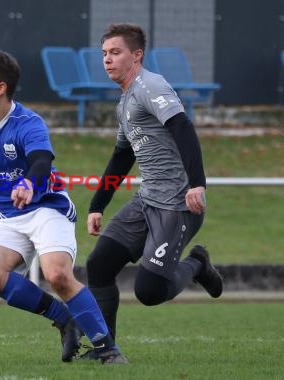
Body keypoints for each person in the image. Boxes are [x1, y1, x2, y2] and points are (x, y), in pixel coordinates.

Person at [0, 49, 127, 364]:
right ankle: (64, 318)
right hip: (6, 215)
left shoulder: (28, 122)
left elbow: (41, 161)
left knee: (57, 274)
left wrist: (29, 183)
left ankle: (107, 349)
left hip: (46, 208)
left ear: (1, 88)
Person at [83, 23, 223, 347]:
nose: (107, 60)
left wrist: (197, 185)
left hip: (177, 205)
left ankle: (198, 264)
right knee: (99, 265)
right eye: (104, 53)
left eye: (115, 52)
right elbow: (121, 157)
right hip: (147, 202)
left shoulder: (150, 85)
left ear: (137, 55)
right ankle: (106, 351)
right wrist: (97, 205)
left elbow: (183, 127)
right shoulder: (124, 102)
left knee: (148, 292)